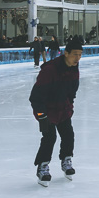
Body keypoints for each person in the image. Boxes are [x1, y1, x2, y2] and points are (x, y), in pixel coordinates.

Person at [30, 36, 83, 186]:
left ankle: (66, 160)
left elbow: (72, 92)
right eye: (75, 54)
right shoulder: (50, 70)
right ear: (65, 53)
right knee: (49, 137)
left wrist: (69, 107)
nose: (77, 58)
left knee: (68, 134)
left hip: (63, 109)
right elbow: (35, 97)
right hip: (45, 110)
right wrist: (41, 116)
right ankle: (43, 166)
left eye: (80, 54)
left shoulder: (74, 69)